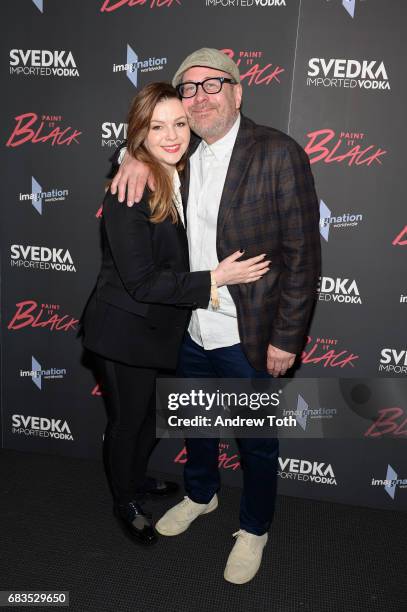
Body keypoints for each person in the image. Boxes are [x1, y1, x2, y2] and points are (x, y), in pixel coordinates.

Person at [110, 49, 321, 582]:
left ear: (238, 92)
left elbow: (302, 256)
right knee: (196, 429)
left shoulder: (277, 152)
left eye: (213, 84)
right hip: (190, 329)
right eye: (190, 88)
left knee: (255, 442)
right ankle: (201, 495)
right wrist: (127, 156)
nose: (200, 96)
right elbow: (142, 142)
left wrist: (287, 339)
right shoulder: (178, 155)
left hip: (248, 335)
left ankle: (254, 527)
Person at [81, 81, 270, 547]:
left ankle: (135, 479)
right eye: (156, 127)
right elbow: (142, 282)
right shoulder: (130, 191)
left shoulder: (174, 169)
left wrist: (127, 153)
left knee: (148, 418)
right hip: (123, 333)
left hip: (159, 333)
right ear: (140, 132)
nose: (171, 135)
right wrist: (215, 279)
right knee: (128, 423)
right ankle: (125, 499)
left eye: (179, 124)